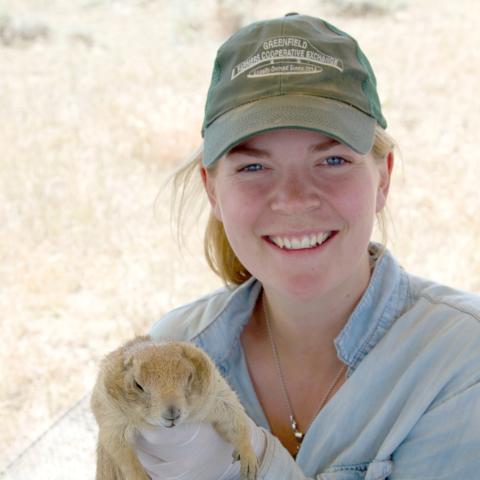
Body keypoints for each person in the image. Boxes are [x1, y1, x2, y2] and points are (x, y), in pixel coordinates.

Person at [134, 13, 480, 479]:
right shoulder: (174, 353)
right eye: (254, 167)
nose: (294, 200)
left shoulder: (460, 357)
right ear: (213, 191)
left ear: (383, 179)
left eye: (332, 159)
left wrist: (233, 466)